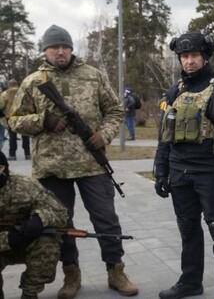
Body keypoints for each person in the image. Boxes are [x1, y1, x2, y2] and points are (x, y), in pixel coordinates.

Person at [7, 25, 138, 298]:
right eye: (54, 47)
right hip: (51, 167)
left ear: (71, 49)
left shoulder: (93, 76)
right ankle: (71, 274)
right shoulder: (33, 81)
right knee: (60, 225)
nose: (60, 51)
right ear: (45, 50)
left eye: (65, 46)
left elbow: (115, 109)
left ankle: (116, 271)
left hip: (91, 164)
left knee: (106, 220)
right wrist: (42, 121)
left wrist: (105, 134)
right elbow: (14, 120)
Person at [154, 32, 214, 299]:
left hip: (210, 173)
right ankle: (190, 282)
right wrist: (160, 171)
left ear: (205, 57)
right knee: (188, 230)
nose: (189, 61)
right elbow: (165, 133)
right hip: (179, 172)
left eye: (194, 55)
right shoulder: (176, 90)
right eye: (184, 56)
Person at [0, 150, 68, 299]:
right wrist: (8, 240)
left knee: (48, 244)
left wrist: (39, 219)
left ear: (3, 168)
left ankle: (29, 293)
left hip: (28, 242)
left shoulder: (25, 185)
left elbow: (60, 211)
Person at [0, 79, 31, 160]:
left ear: (9, 85)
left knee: (12, 136)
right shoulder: (23, 92)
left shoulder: (5, 93)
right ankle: (27, 154)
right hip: (23, 117)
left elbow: (1, 105)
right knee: (25, 136)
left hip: (11, 117)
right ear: (17, 84)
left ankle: (12, 155)